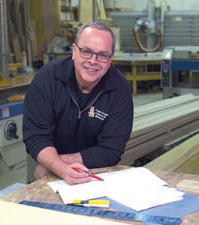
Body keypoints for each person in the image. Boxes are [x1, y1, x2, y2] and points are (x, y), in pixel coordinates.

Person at [22, 21, 133, 185]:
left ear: (110, 59)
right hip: (43, 161)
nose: (93, 61)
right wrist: (57, 168)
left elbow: (111, 150)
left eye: (102, 55)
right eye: (86, 51)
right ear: (74, 51)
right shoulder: (48, 79)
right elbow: (37, 137)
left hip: (93, 170)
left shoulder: (119, 89)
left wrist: (61, 164)